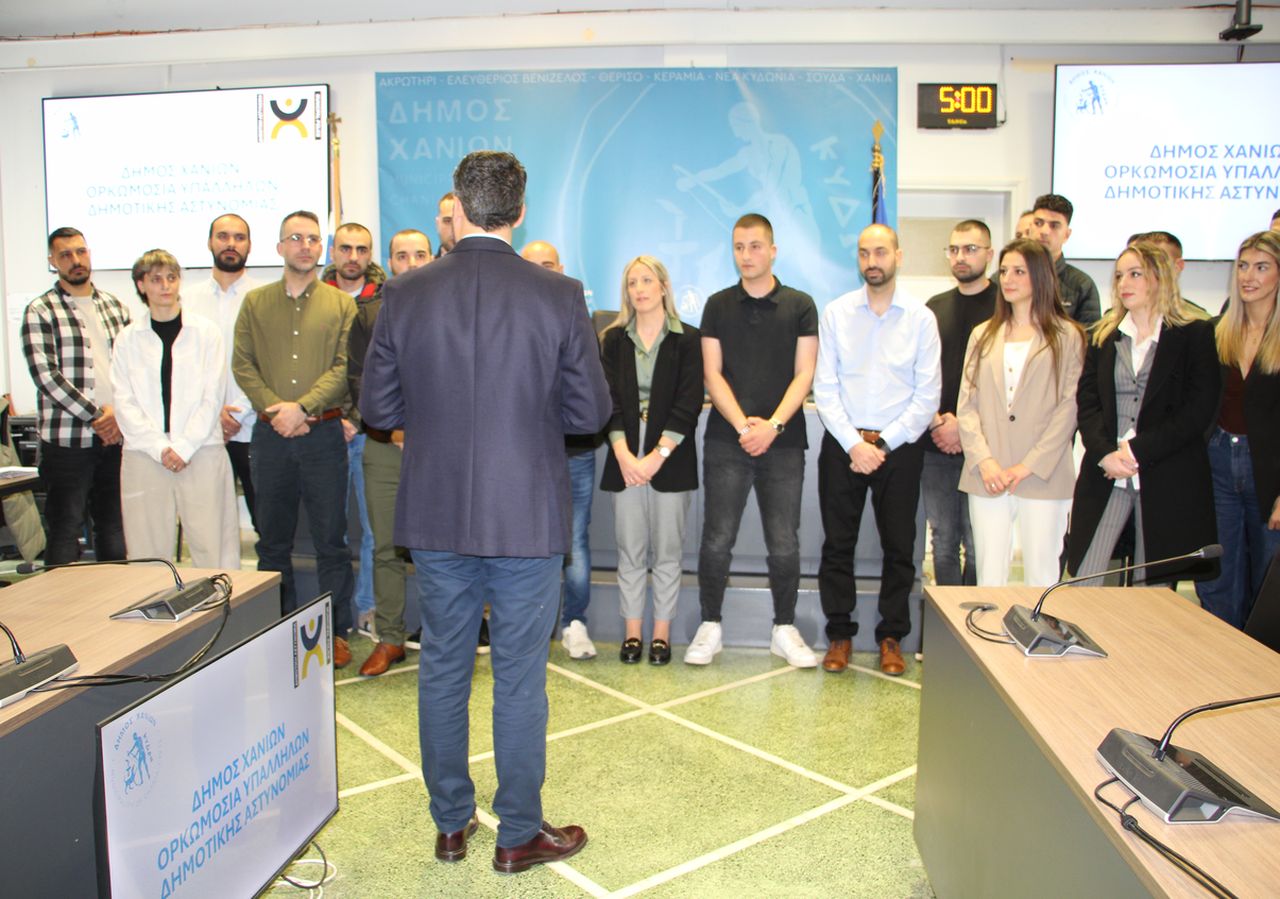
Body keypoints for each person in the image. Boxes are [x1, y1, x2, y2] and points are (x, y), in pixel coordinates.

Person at [360, 151, 610, 872]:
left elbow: (378, 409)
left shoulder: (405, 293)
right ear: (519, 211)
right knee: (519, 676)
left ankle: (449, 824)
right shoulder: (559, 293)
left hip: (436, 513)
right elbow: (590, 413)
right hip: (526, 514)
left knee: (442, 666)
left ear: (457, 209)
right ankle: (518, 833)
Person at [687, 213, 819, 668]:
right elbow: (712, 374)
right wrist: (745, 427)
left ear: (773, 250)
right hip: (728, 441)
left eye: (756, 246)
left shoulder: (800, 304)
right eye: (739, 247)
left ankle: (784, 628)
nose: (747, 255)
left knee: (784, 541)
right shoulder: (717, 305)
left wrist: (773, 426)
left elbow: (805, 373)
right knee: (716, 538)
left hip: (784, 442)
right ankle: (710, 625)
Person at [814, 224, 941, 676]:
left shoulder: (921, 319)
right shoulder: (836, 313)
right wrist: (855, 443)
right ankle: (839, 635)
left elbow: (927, 395)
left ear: (898, 257)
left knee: (899, 547)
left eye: (881, 252)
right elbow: (824, 388)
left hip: (899, 447)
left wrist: (882, 444)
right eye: (865, 253)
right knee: (837, 545)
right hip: (843, 444)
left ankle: (891, 637)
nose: (872, 261)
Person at [233, 210, 358, 666]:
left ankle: (335, 631)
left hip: (323, 435)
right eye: (296, 238)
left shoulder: (341, 305)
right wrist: (278, 410)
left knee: (331, 540)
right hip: (270, 437)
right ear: (280, 247)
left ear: (320, 248)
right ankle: (274, 627)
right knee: (271, 540)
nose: (305, 246)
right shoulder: (255, 303)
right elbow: (243, 364)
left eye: (312, 239)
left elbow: (345, 366)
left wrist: (301, 408)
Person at [1068, 242, 1219, 586]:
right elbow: (1088, 404)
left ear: (1159, 277)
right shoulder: (1104, 337)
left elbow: (1198, 411)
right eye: (1120, 275)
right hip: (1108, 472)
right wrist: (1105, 453)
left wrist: (1138, 450)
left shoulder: (1194, 335)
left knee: (1152, 585)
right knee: (1084, 575)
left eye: (1135, 274)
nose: (1124, 283)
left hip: (1165, 472)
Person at [956, 239, 1085, 587]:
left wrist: (1027, 466)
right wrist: (985, 461)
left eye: (1019, 271)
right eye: (1004, 271)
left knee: (1041, 575)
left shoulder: (1067, 336)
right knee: (989, 576)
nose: (1008, 279)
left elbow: (1069, 408)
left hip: (1043, 473)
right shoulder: (983, 335)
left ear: (1040, 276)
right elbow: (966, 406)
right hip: (989, 474)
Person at [600, 256, 704, 665]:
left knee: (667, 551)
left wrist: (657, 456)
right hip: (624, 453)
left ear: (663, 286)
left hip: (670, 456)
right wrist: (624, 454)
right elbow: (607, 400)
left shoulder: (688, 339)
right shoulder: (612, 340)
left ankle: (661, 635)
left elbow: (688, 403)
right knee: (629, 549)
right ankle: (632, 633)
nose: (639, 289)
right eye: (632, 283)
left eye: (646, 280)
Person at [111, 250, 240, 568]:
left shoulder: (206, 333)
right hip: (145, 454)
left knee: (212, 547)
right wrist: (160, 448)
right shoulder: (127, 339)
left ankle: (221, 600)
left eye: (171, 278)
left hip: (200, 450)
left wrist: (183, 447)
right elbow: (124, 402)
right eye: (156, 279)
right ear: (141, 285)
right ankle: (151, 601)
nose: (165, 286)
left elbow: (213, 395)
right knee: (147, 551)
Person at [22, 227, 130, 564]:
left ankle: (118, 592)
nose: (76, 260)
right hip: (67, 442)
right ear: (53, 261)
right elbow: (46, 375)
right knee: (65, 530)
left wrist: (119, 415)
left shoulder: (115, 307)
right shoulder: (41, 310)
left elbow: (134, 369)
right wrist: (97, 416)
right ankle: (60, 598)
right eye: (65, 255)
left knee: (114, 529)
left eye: (81, 252)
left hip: (117, 437)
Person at [351, 229, 432, 677]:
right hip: (384, 446)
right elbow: (358, 380)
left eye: (420, 254)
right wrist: (396, 428)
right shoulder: (368, 314)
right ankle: (390, 638)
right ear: (389, 263)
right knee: (384, 544)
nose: (412, 263)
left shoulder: (451, 307)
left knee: (440, 546)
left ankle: (443, 637)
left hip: (438, 448)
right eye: (402, 256)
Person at [1196, 230, 1280, 628]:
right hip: (1217, 463)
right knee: (1217, 575)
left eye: (1261, 267)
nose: (1249, 276)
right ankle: (1220, 653)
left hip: (1270, 471)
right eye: (1243, 266)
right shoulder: (1216, 331)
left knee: (1267, 575)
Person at [522, 240, 600, 660]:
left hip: (573, 450)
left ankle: (574, 623)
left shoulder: (575, 314)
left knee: (575, 539)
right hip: (525, 453)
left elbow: (590, 393)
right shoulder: (510, 316)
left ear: (562, 268)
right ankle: (527, 625)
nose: (541, 272)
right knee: (524, 541)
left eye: (548, 265)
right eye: (532, 265)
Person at [923, 220, 997, 588]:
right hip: (935, 442)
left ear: (989, 254)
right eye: (953, 249)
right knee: (943, 542)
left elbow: (1003, 386)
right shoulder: (934, 308)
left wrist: (964, 429)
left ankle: (973, 615)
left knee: (979, 541)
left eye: (970, 249)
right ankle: (946, 618)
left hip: (985, 447)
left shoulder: (1005, 307)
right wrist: (937, 421)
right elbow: (919, 373)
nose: (960, 257)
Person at [323, 222, 386, 637]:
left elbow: (377, 370)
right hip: (327, 426)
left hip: (365, 430)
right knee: (331, 529)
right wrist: (336, 414)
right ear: (333, 252)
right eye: (345, 248)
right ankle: (335, 619)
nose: (353, 257)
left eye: (361, 249)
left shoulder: (386, 300)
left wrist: (357, 417)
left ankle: (367, 609)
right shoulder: (315, 299)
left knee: (373, 529)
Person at [184, 213, 262, 533]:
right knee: (208, 525)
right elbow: (184, 367)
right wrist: (213, 412)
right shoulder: (186, 300)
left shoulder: (264, 298)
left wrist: (239, 411)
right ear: (209, 242)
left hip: (253, 428)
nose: (231, 244)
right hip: (202, 431)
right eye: (223, 236)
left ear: (249, 246)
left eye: (239, 237)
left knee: (266, 522)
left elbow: (268, 363)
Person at [1028, 193, 1101, 325]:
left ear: (1067, 234)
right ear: (1030, 228)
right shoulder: (1005, 278)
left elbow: (1089, 335)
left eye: (1054, 225)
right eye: (1038, 223)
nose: (1044, 231)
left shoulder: (1082, 285)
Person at [435, 191, 458, 257]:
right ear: (437, 224)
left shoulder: (483, 262)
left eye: (460, 222)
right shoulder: (428, 263)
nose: (454, 229)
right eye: (448, 221)